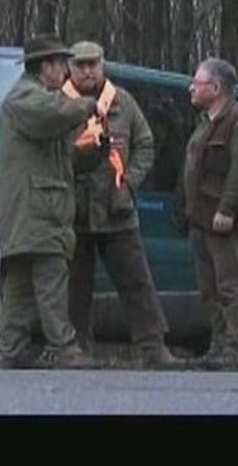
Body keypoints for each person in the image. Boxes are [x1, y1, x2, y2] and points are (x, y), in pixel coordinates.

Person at [63, 41, 185, 370]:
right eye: (81, 65)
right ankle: (78, 348)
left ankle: (153, 347)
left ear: (103, 65)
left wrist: (130, 183)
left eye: (93, 64)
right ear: (70, 69)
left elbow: (145, 144)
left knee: (137, 281)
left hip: (118, 208)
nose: (88, 71)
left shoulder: (123, 102)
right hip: (76, 209)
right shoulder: (59, 103)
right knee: (76, 286)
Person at [0, 34, 102, 369]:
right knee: (51, 281)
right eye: (61, 64)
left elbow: (58, 154)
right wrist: (87, 104)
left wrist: (92, 155)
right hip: (37, 210)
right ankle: (65, 347)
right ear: (46, 66)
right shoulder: (26, 97)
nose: (66, 72)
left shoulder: (37, 98)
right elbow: (51, 117)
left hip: (35, 211)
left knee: (21, 287)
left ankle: (11, 349)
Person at [175, 57, 238, 371]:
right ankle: (220, 345)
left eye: (196, 83)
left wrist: (228, 208)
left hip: (221, 219)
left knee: (231, 284)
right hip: (200, 219)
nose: (191, 89)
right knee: (209, 288)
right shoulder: (205, 125)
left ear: (216, 87)